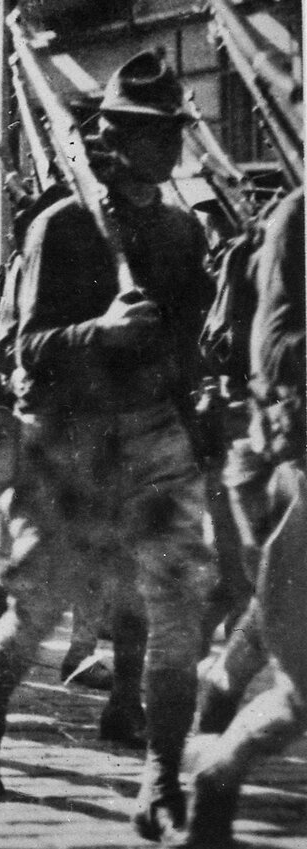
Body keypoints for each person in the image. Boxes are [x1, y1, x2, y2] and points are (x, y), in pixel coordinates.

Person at [0, 55, 216, 844]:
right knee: (35, 607)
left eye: (173, 132)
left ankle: (162, 776)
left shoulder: (181, 229)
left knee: (176, 613)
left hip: (154, 437)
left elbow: (193, 341)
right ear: (116, 138)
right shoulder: (61, 225)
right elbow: (17, 347)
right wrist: (96, 332)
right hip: (66, 440)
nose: (169, 148)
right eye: (151, 133)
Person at [184, 188, 303, 847]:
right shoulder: (296, 219)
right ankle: (216, 772)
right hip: (290, 464)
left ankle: (220, 689)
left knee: (271, 611)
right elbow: (275, 353)